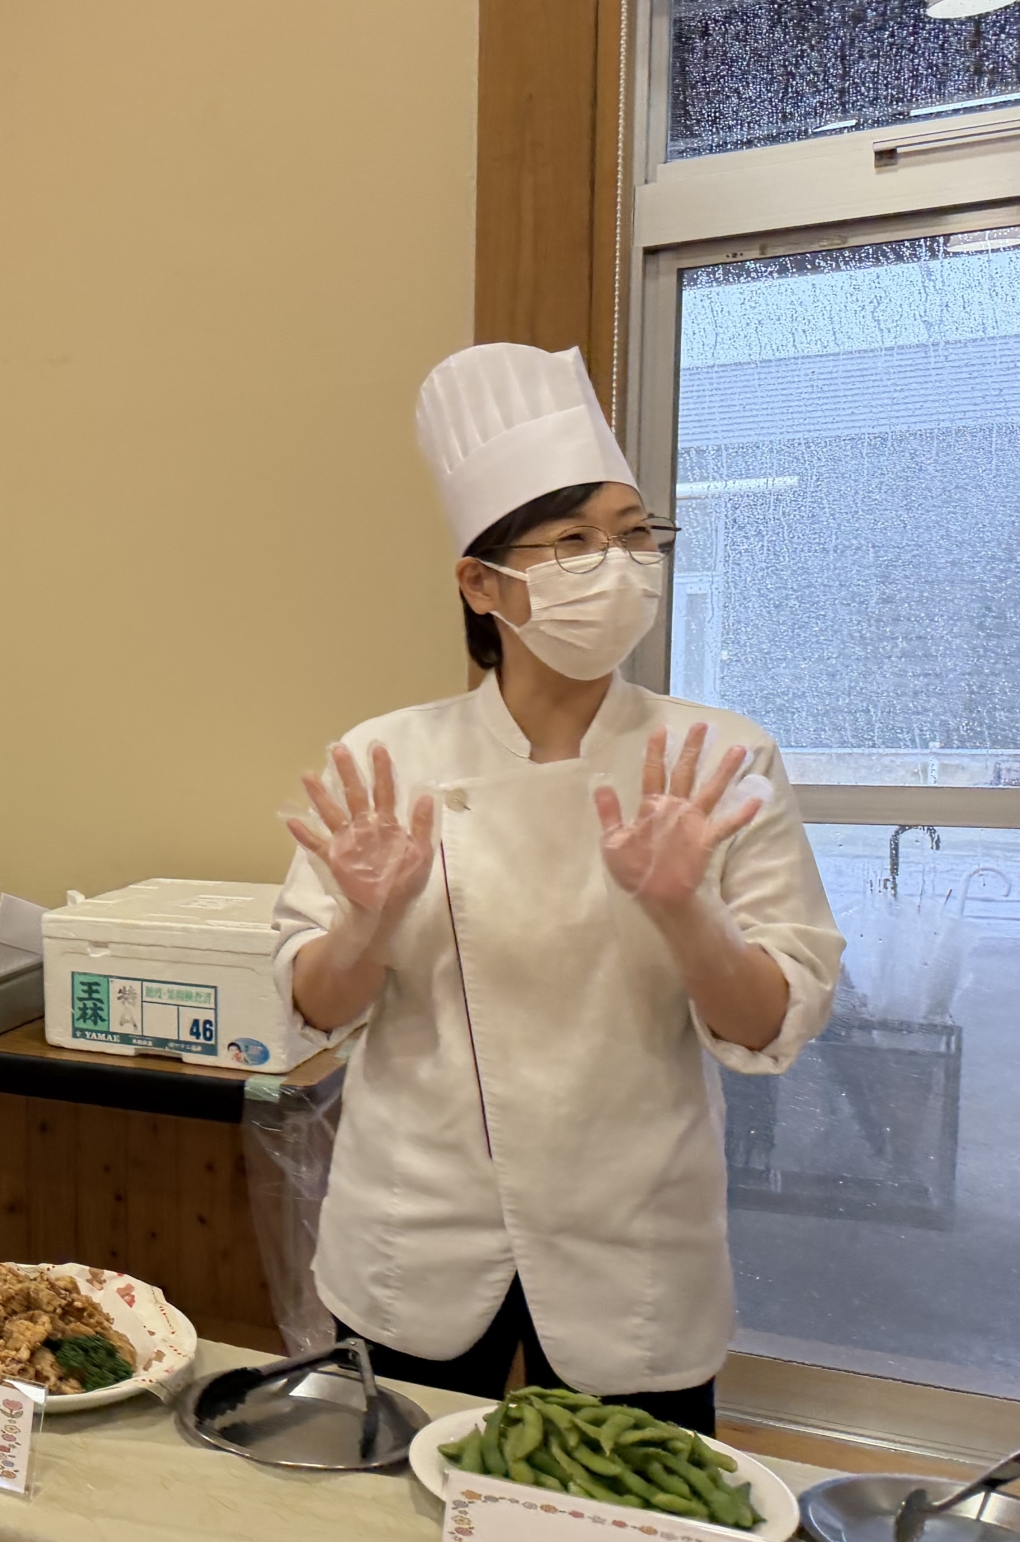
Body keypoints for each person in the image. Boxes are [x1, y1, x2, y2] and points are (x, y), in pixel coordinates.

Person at [274, 343, 844, 1432]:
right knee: (386, 1516)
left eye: (634, 535)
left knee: (634, 1517)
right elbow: (316, 1008)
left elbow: (771, 1024)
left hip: (632, 1240)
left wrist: (684, 910)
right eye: (575, 541)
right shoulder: (387, 759)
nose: (617, 565)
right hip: (418, 1227)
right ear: (480, 583)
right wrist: (368, 921)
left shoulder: (721, 759)